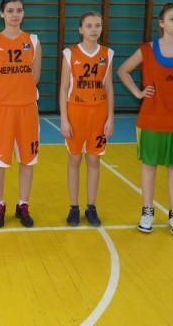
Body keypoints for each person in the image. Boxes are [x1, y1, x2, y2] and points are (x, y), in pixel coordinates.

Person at [118, 2, 173, 237]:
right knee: (149, 166)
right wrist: (138, 92)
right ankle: (147, 211)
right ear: (162, 23)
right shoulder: (148, 49)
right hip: (151, 118)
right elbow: (123, 70)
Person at [0, 0, 41, 228]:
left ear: (23, 13)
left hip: (27, 109)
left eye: (19, 10)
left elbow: (35, 76)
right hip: (1, 110)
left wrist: (20, 92)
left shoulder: (33, 41)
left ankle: (23, 204)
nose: (15, 15)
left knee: (28, 159)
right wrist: (1, 93)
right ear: (2, 14)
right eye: (10, 11)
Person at [59, 12, 114, 227]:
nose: (94, 29)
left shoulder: (107, 54)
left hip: (99, 113)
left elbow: (109, 88)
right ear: (80, 29)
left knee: (94, 161)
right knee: (74, 160)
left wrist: (111, 118)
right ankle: (74, 207)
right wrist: (64, 119)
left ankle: (91, 207)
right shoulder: (70, 53)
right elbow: (64, 87)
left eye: (97, 25)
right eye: (89, 25)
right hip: (76, 111)